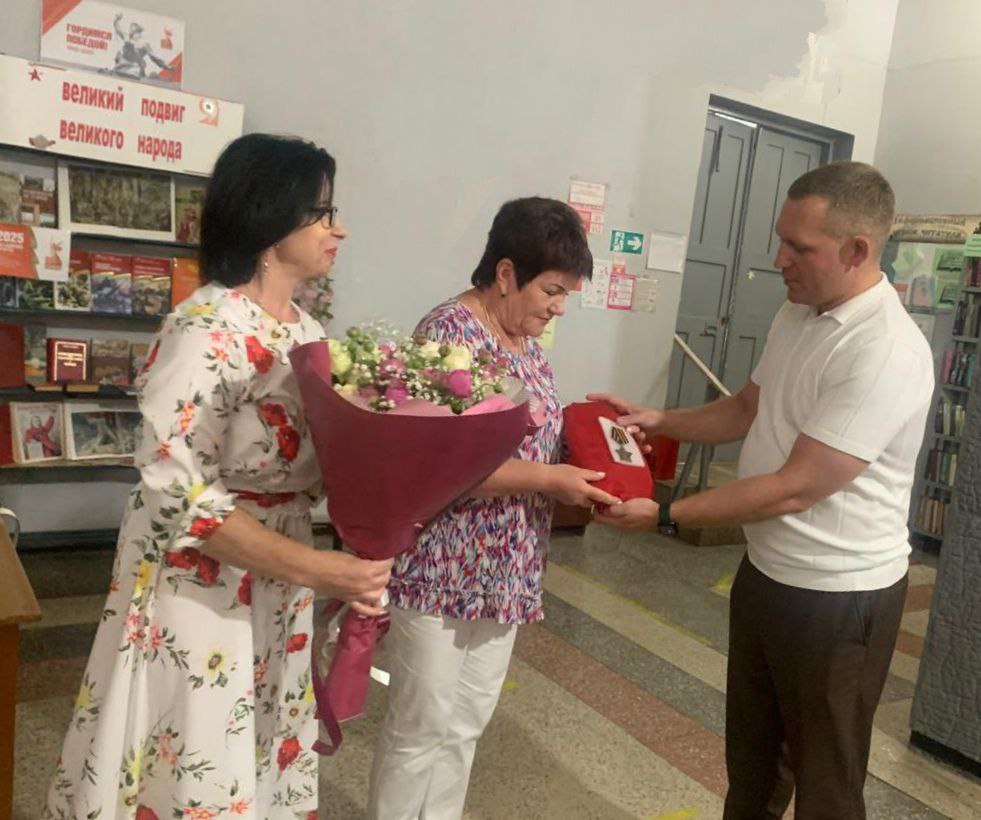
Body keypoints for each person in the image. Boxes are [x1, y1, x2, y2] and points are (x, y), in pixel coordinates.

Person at [43, 133, 393, 819]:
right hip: (205, 581)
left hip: (282, 571)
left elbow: (321, 461)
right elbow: (174, 490)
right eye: (323, 212)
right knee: (198, 740)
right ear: (271, 220)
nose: (339, 229)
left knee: (260, 732)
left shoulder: (308, 333)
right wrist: (318, 568)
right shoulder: (205, 326)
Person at [592, 161, 934, 819]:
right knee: (751, 766)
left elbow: (794, 489)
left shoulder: (885, 351)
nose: (778, 260)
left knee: (827, 784)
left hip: (839, 597)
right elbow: (746, 408)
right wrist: (658, 419)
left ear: (857, 250)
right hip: (767, 575)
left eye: (799, 247)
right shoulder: (796, 313)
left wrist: (665, 514)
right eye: (781, 240)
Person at [368, 197, 620, 820]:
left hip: (507, 565)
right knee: (420, 727)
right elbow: (438, 463)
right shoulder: (448, 334)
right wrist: (550, 479)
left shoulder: (528, 345)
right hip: (441, 563)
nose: (559, 308)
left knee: (465, 726)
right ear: (506, 273)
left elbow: (533, 437)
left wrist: (602, 449)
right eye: (552, 291)